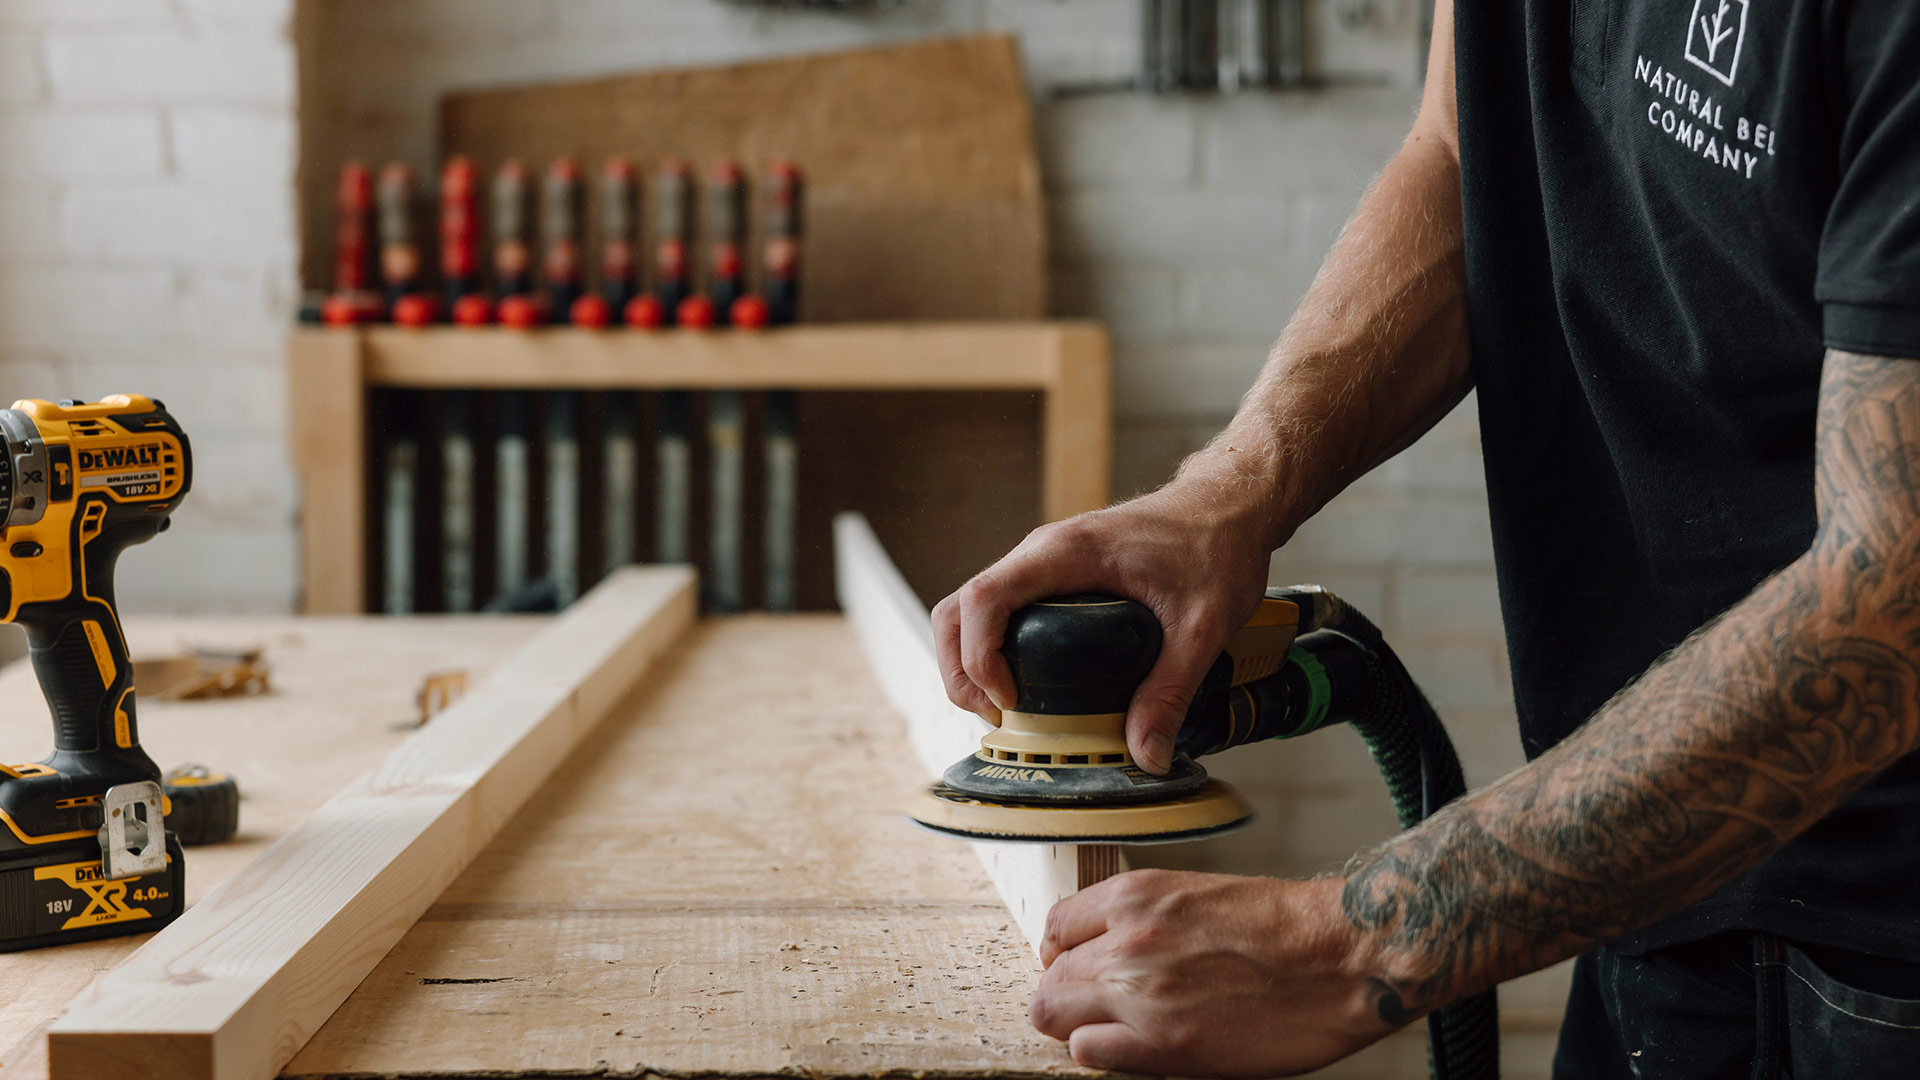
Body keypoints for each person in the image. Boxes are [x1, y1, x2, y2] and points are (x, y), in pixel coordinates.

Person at [933, 1, 1920, 1075]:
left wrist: (1359, 941)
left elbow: (1894, 604)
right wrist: (1230, 493)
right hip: (1651, 852)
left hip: (1888, 945)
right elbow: (1463, 155)